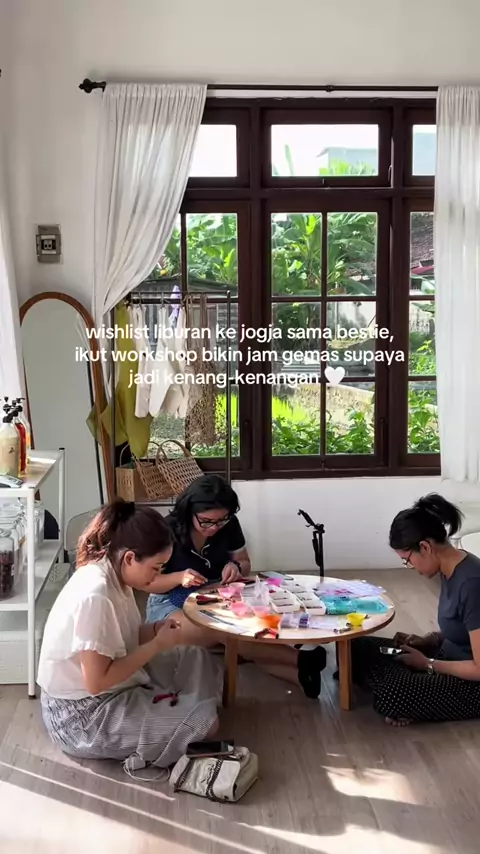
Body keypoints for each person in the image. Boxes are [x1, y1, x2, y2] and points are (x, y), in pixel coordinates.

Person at [37, 499, 220, 772]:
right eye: (156, 568)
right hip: (83, 715)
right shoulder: (95, 594)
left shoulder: (115, 574)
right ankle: (181, 711)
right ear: (130, 558)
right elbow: (97, 683)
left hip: (112, 686)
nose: (157, 576)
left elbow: (124, 637)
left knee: (195, 656)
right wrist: (156, 644)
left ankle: (175, 708)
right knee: (207, 722)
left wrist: (155, 631)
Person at [145, 474, 326, 698]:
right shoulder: (166, 530)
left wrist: (236, 566)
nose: (214, 527)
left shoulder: (229, 524)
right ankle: (302, 660)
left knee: (244, 629)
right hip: (169, 603)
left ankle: (299, 676)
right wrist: (178, 577)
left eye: (221, 520)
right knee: (227, 630)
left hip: (215, 593)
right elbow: (149, 583)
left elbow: (244, 561)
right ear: (189, 511)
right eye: (206, 521)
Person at [350, 493, 480, 726]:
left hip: (471, 682)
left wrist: (428, 664)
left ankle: (403, 694)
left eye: (407, 560)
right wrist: (428, 640)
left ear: (425, 547)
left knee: (392, 694)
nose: (408, 566)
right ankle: (409, 692)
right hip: (445, 657)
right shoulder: (449, 570)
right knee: (357, 647)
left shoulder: (472, 583)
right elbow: (462, 630)